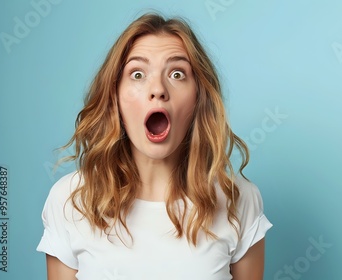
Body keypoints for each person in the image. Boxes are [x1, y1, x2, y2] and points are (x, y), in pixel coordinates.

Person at [37, 12, 272, 280]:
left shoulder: (238, 200)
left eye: (177, 73)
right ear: (115, 97)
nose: (158, 89)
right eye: (137, 74)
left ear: (198, 98)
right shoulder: (70, 200)